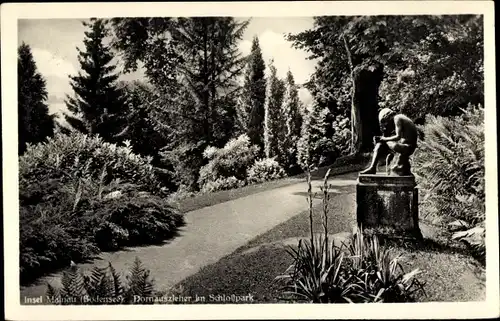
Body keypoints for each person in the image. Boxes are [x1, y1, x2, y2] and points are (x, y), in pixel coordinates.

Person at [360, 108, 418, 175]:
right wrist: (384, 138)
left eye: (386, 121)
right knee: (381, 143)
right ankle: (372, 168)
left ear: (388, 116)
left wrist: (384, 139)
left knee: (381, 143)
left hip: (407, 147)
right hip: (407, 147)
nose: (387, 124)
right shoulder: (400, 117)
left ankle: (372, 168)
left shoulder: (397, 118)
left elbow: (397, 137)